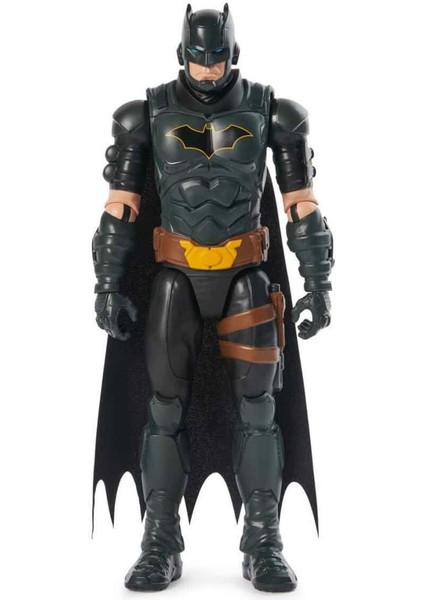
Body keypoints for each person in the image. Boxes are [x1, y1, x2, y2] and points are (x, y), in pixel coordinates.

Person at [92, 3, 333, 593]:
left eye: (216, 57)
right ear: (181, 54)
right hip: (173, 278)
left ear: (234, 54)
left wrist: (317, 282)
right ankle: (160, 543)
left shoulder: (274, 113)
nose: (206, 68)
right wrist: (108, 283)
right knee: (163, 410)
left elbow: (301, 204)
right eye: (198, 58)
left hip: (246, 278)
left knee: (259, 413)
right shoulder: (144, 115)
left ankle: (263, 543)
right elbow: (120, 209)